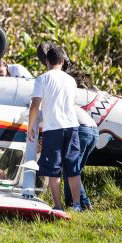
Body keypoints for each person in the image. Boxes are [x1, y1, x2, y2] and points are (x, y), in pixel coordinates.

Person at [27, 45, 82, 212]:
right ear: (62, 61)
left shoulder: (42, 79)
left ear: (46, 61)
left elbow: (35, 105)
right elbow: (71, 103)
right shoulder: (71, 80)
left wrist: (31, 127)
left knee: (53, 170)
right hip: (72, 126)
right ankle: (77, 205)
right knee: (73, 168)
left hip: (53, 128)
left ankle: (58, 206)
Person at [64, 106, 98, 210]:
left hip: (81, 130)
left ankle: (83, 203)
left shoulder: (55, 104)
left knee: (71, 170)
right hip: (94, 131)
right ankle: (71, 204)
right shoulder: (69, 102)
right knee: (74, 171)